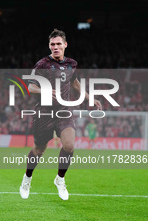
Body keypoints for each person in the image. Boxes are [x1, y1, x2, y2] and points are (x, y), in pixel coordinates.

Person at [19, 29, 102, 200]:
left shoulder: (72, 63)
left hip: (64, 112)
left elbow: (74, 83)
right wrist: (45, 91)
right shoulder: (42, 64)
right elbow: (31, 86)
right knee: (39, 149)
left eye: (58, 44)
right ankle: (27, 178)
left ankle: (60, 179)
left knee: (69, 146)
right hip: (44, 113)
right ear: (49, 46)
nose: (55, 47)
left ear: (65, 44)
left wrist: (89, 98)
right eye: (52, 44)